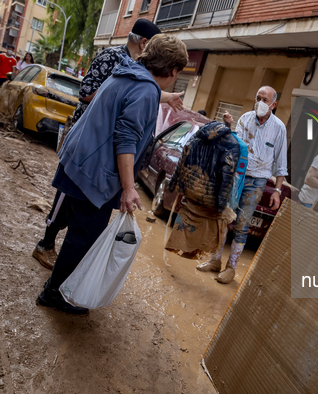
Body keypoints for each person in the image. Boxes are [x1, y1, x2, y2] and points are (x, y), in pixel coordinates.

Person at [36, 34, 188, 315]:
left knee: (74, 225)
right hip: (94, 173)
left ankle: (55, 279)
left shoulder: (127, 72)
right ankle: (53, 293)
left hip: (77, 160)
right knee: (83, 237)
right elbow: (126, 139)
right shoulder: (145, 90)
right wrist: (129, 189)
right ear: (174, 71)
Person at [198, 86, 288, 284]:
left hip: (257, 181)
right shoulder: (245, 118)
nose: (260, 103)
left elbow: (281, 164)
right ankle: (215, 260)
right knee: (224, 217)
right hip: (237, 176)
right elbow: (233, 146)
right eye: (258, 98)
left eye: (265, 100)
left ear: (273, 105)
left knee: (241, 224)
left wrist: (277, 191)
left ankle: (231, 268)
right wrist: (228, 126)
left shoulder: (279, 128)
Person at [165, 113, 243, 259]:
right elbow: (227, 176)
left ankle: (178, 248)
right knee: (208, 229)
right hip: (209, 196)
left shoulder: (197, 135)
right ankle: (201, 255)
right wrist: (221, 205)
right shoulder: (232, 144)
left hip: (189, 189)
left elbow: (182, 157)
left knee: (188, 220)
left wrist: (173, 184)